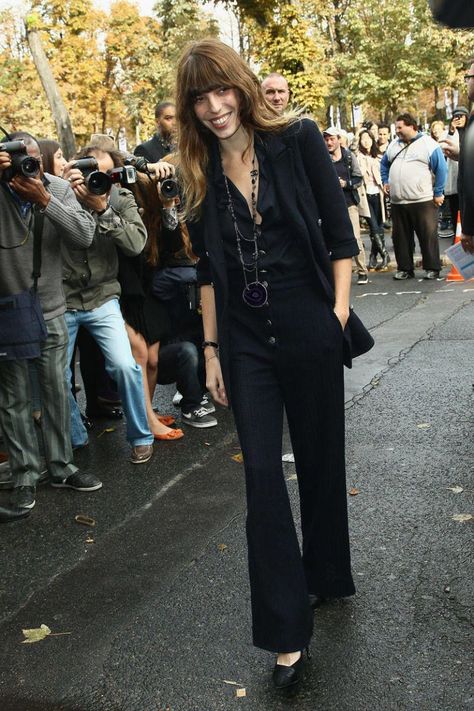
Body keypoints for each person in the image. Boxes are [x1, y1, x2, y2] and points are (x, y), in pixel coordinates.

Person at [175, 38, 366, 689]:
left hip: (310, 321)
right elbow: (206, 273)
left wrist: (337, 315)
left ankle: (327, 572)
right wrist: (210, 352)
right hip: (245, 339)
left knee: (318, 456)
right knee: (260, 474)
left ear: (242, 86)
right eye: (201, 97)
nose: (215, 105)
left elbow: (340, 236)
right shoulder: (196, 171)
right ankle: (287, 635)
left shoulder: (298, 138)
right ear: (191, 106)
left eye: (222, 89)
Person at [0, 131, 102, 522]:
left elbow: (84, 235)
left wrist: (44, 201)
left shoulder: (56, 188)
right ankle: (26, 473)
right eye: (18, 159)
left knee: (57, 389)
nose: (29, 166)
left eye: (33, 158)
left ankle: (61, 467)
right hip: (8, 310)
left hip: (51, 308)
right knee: (14, 399)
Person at [62, 146, 156, 464]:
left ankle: (141, 437)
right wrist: (64, 189)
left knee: (125, 366)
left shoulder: (118, 198)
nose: (97, 180)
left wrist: (103, 209)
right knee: (57, 378)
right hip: (63, 299)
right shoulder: (61, 195)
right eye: (91, 173)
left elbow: (135, 245)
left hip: (103, 296)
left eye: (105, 174)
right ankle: (76, 437)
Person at [380, 112, 448, 280]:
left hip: (422, 200)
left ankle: (432, 268)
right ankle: (405, 268)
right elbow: (384, 164)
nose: (397, 131)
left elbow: (441, 169)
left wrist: (438, 193)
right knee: (400, 238)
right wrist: (385, 181)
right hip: (398, 201)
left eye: (400, 127)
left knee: (427, 236)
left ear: (412, 127)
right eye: (396, 128)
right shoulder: (393, 145)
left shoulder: (428, 144)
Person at [323, 127, 368, 285]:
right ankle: (338, 274)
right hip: (330, 206)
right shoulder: (322, 158)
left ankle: (362, 271)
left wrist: (346, 184)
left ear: (338, 139)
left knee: (354, 238)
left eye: (332, 139)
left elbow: (358, 178)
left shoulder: (348, 157)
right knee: (333, 239)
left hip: (349, 204)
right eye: (326, 139)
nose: (329, 142)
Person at [356, 130, 389, 270]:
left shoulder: (379, 156)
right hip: (365, 195)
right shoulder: (357, 157)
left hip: (379, 194)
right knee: (373, 226)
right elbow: (359, 175)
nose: (366, 141)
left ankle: (373, 256)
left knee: (379, 227)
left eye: (368, 138)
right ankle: (385, 254)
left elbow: (383, 173)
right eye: (363, 138)